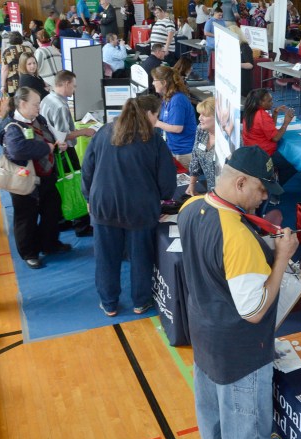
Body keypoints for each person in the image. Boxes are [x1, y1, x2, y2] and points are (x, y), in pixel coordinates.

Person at [178, 146, 297, 439]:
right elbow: (254, 312)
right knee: (245, 435)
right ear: (241, 182)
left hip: (205, 341)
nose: (265, 197)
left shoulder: (189, 207)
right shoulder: (237, 237)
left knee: (213, 427)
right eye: (262, 188)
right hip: (240, 355)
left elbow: (212, 264)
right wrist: (281, 258)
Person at [82, 95, 177, 317]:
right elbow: (167, 182)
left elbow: (87, 169)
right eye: (157, 115)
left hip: (104, 206)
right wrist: (161, 200)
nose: (157, 120)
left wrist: (88, 197)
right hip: (140, 209)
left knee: (106, 257)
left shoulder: (104, 132)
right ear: (149, 114)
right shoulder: (154, 141)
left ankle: (109, 303)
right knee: (141, 257)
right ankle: (140, 302)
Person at [0, 87, 70, 269]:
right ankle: (29, 253)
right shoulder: (12, 127)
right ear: (22, 104)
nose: (39, 107)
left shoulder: (39, 119)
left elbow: (50, 137)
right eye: (36, 104)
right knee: (26, 218)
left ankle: (50, 244)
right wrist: (47, 148)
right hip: (25, 182)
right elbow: (17, 150)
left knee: (51, 212)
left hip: (46, 177)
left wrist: (57, 144)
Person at [40, 70, 97, 237]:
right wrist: (84, 131)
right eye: (74, 85)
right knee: (76, 184)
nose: (75, 89)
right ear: (65, 84)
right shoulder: (60, 106)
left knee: (60, 185)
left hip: (54, 151)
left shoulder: (47, 99)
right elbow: (64, 134)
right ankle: (81, 225)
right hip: (65, 151)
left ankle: (63, 219)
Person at [241, 88, 296, 186]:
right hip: (264, 155)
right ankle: (274, 186)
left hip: (252, 152)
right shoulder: (261, 115)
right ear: (260, 102)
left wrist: (274, 115)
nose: (272, 103)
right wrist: (286, 123)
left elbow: (268, 129)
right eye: (269, 101)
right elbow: (275, 137)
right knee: (292, 164)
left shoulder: (250, 112)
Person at [152, 66, 198, 167]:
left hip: (184, 152)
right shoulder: (168, 98)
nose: (153, 83)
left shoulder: (177, 100)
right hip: (174, 148)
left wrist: (156, 123)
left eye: (154, 80)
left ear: (164, 83)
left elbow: (177, 128)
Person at [187, 97, 218, 195]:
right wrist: (192, 184)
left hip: (225, 194)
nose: (199, 118)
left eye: (204, 115)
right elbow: (195, 157)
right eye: (200, 114)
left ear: (217, 116)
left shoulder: (227, 140)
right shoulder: (201, 129)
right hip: (209, 190)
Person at [1, 32, 34, 96]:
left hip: (13, 82)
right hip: (27, 79)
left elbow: (4, 69)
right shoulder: (28, 49)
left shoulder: (7, 51)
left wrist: (3, 85)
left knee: (14, 103)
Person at [227, 25, 255, 97]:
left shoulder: (244, 47)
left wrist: (236, 64)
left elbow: (250, 65)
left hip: (243, 79)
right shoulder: (233, 46)